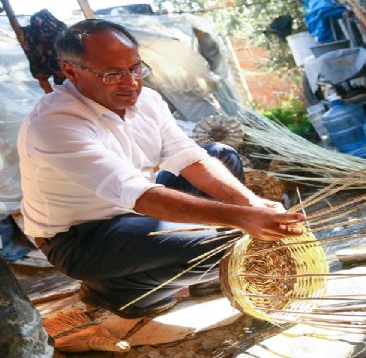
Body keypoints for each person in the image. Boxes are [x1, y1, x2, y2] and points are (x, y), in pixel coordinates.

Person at [17, 19, 305, 319]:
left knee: (222, 156)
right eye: (112, 74)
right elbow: (140, 194)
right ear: (70, 71)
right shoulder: (55, 124)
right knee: (222, 243)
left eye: (134, 68)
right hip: (82, 237)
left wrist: (251, 203)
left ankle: (203, 275)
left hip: (135, 211)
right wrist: (242, 218)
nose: (130, 83)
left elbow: (187, 156)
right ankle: (116, 289)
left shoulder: (147, 101)